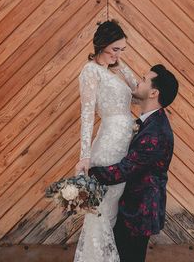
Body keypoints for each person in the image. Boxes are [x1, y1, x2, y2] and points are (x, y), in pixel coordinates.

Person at [88, 64, 178, 262]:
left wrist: (90, 172)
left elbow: (125, 170)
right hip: (130, 207)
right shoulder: (149, 122)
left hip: (138, 212)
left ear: (154, 92)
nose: (139, 81)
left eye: (144, 80)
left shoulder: (156, 132)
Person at [73, 19, 140, 262]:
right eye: (114, 49)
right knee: (102, 210)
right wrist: (85, 155)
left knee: (114, 210)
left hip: (126, 143)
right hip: (109, 145)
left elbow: (139, 91)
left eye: (122, 49)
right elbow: (87, 114)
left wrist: (121, 66)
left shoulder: (114, 69)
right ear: (101, 45)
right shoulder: (90, 71)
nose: (118, 54)